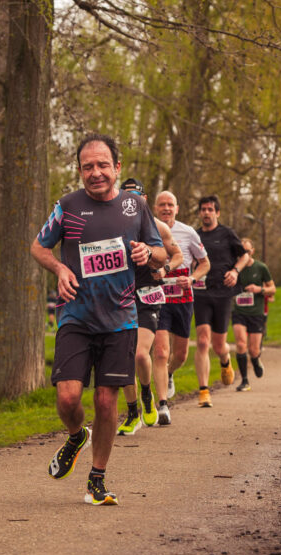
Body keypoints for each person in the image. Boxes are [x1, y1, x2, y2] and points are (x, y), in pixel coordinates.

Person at [30, 133, 167, 506]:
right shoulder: (68, 206)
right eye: (88, 166)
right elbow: (39, 246)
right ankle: (77, 435)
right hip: (76, 315)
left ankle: (97, 479)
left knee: (107, 403)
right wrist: (59, 268)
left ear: (117, 168)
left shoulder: (135, 207)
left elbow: (160, 253)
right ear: (79, 170)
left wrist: (146, 253)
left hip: (121, 318)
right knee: (68, 396)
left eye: (103, 165)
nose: (96, 173)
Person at [116, 179, 182, 436]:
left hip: (147, 296)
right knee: (123, 358)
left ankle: (146, 393)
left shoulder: (158, 226)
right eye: (126, 196)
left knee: (140, 354)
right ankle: (133, 413)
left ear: (143, 199)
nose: (132, 201)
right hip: (119, 296)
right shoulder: (113, 227)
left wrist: (165, 269)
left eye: (136, 196)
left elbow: (177, 255)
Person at [151, 190, 210, 425]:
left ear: (177, 208)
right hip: (157, 295)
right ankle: (163, 405)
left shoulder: (188, 232)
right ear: (155, 208)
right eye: (162, 204)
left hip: (183, 295)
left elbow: (205, 263)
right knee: (161, 352)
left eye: (170, 204)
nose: (166, 208)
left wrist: (193, 279)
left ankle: (170, 372)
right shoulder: (148, 230)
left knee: (180, 354)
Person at [192, 195, 249, 407]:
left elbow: (244, 257)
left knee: (218, 345)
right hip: (201, 293)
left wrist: (235, 271)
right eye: (203, 209)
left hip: (223, 293)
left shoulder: (227, 234)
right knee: (203, 341)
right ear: (199, 213)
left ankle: (225, 360)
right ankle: (204, 391)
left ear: (217, 212)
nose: (206, 213)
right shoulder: (194, 235)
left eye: (210, 209)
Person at [231, 238, 275, 392]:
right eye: (243, 252)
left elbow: (273, 289)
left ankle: (256, 361)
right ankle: (244, 380)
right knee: (241, 344)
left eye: (248, 251)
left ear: (253, 251)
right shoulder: (234, 268)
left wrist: (259, 289)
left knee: (254, 350)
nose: (246, 255)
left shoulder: (261, 267)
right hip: (239, 312)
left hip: (256, 313)